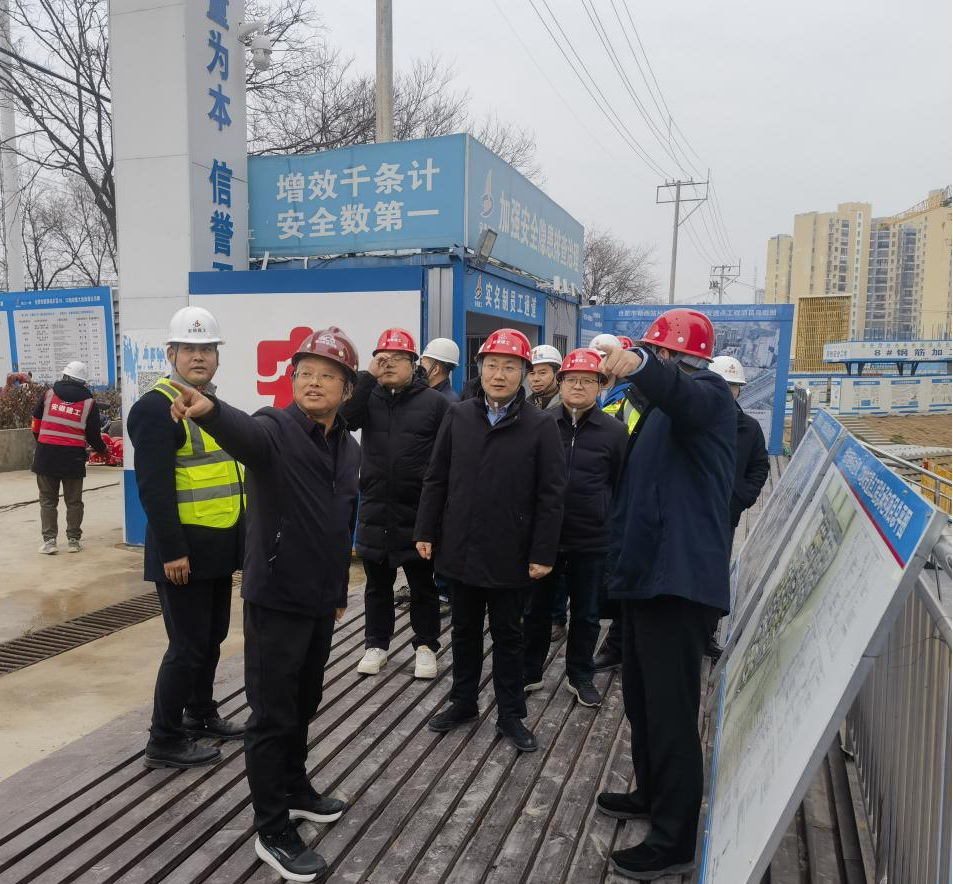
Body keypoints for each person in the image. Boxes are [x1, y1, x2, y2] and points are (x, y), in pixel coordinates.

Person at [167, 326, 359, 883]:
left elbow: (339, 523)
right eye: (305, 373)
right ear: (292, 380)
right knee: (272, 715)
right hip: (275, 597)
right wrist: (208, 410)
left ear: (347, 389)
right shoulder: (275, 428)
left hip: (320, 600)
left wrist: (338, 591)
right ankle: (272, 828)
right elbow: (243, 433)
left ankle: (295, 789)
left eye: (327, 376)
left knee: (305, 701)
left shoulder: (349, 448)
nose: (313, 383)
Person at [595, 308, 736, 881]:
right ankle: (651, 794)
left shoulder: (708, 396)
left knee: (672, 713)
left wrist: (639, 364)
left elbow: (684, 394)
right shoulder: (657, 411)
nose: (650, 362)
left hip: (677, 584)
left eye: (657, 353)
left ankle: (674, 839)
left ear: (676, 358)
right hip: (647, 579)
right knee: (643, 701)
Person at [415, 328, 566, 753]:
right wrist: (425, 530)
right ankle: (463, 701)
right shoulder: (458, 416)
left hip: (510, 551)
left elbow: (551, 495)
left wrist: (542, 552)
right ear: (479, 369)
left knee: (508, 635)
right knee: (463, 629)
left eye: (510, 367)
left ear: (524, 373)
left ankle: (511, 713)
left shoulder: (540, 425)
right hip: (460, 546)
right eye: (492, 365)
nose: (499, 375)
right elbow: (437, 477)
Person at [126, 308, 246, 772]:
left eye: (207, 349)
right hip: (184, 554)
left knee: (212, 637)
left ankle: (199, 713)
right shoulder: (153, 409)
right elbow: (153, 489)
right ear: (171, 353)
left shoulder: (209, 403)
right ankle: (164, 738)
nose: (199, 357)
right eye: (190, 349)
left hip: (215, 547)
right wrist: (173, 550)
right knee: (186, 646)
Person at [340, 328, 449, 679]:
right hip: (376, 508)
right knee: (377, 585)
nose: (387, 364)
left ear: (414, 364)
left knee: (422, 585)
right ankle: (376, 644)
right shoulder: (369, 396)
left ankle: (426, 646)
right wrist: (366, 377)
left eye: (397, 358)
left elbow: (449, 456)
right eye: (382, 358)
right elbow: (345, 419)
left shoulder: (435, 403)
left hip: (418, 510)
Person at [523, 349, 628, 707]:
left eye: (587, 380)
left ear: (600, 386)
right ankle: (529, 671)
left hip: (591, 537)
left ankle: (580, 675)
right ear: (561, 383)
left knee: (586, 612)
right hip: (544, 538)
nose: (578, 386)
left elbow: (620, 483)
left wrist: (607, 521)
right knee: (535, 609)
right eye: (571, 379)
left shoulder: (615, 431)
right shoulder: (540, 423)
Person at [705, 355, 770, 659]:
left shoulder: (749, 428)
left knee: (715, 575)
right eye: (722, 384)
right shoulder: (693, 422)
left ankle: (706, 633)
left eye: (733, 386)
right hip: (690, 514)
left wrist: (742, 497)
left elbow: (759, 467)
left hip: (725, 515)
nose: (728, 390)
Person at [31, 361, 107, 554]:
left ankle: (50, 542)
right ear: (83, 382)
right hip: (73, 459)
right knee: (74, 502)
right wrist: (103, 450)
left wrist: (42, 442)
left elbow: (36, 423)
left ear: (65, 376)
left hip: (46, 456)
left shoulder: (48, 394)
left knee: (48, 500)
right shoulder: (89, 403)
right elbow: (93, 436)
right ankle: (73, 541)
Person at [420, 337, 461, 403]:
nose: (420, 369)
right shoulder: (431, 395)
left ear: (435, 370)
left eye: (422, 364)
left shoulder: (444, 402)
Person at [527, 344, 563, 411]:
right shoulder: (521, 408)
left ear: (557, 375)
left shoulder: (570, 407)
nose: (536, 379)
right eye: (532, 373)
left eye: (542, 373)